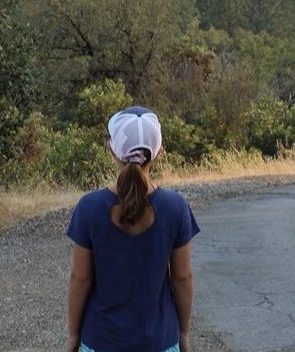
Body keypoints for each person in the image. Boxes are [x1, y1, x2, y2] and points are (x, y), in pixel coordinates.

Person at [65, 105, 200, 352]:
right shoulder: (175, 207)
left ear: (111, 149)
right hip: (160, 341)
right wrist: (184, 334)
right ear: (159, 151)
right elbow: (182, 278)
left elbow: (80, 278)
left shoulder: (89, 208)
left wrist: (73, 335)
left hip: (101, 342)